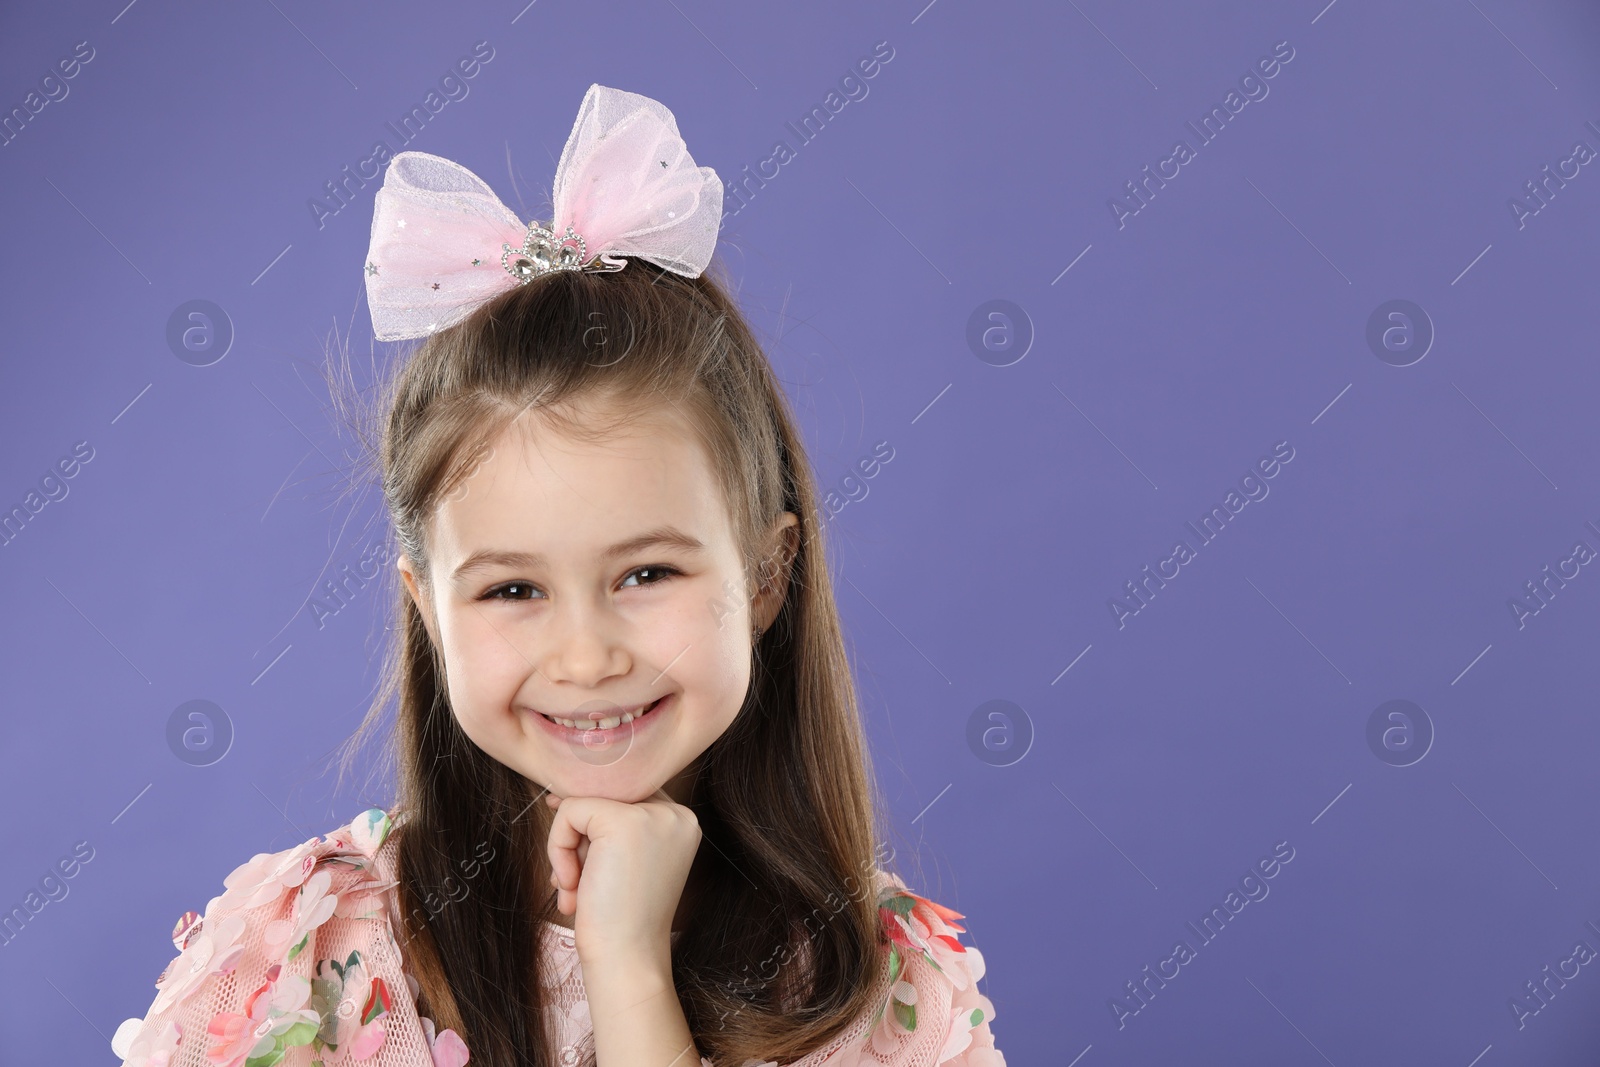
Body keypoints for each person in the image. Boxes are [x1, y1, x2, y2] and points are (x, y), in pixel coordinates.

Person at [110, 84, 1004, 1067]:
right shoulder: (303, 953)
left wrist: (627, 966)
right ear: (428, 609)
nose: (585, 658)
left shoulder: (881, 986)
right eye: (511, 589)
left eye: (646, 572)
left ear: (765, 572)